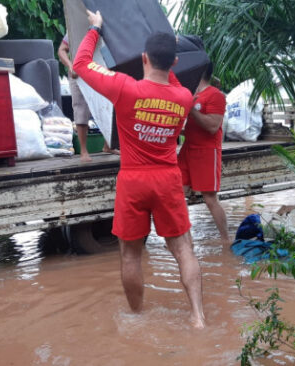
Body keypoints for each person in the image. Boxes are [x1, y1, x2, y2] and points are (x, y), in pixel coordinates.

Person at [73, 10, 205, 329]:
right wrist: (167, 56)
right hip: (167, 179)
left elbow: (79, 65)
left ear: (143, 58)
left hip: (133, 180)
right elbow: (169, 78)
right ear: (174, 63)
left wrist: (96, 30)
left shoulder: (124, 88)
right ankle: (198, 317)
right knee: (184, 249)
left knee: (130, 255)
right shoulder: (184, 97)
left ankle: (136, 317)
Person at [178, 62, 229, 245]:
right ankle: (185, 240)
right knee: (176, 194)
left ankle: (225, 239)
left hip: (206, 152)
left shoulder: (215, 95)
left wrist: (191, 109)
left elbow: (213, 126)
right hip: (187, 150)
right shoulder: (193, 95)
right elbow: (191, 127)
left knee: (209, 199)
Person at [58, 33, 117, 162]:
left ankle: (108, 145)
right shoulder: (74, 28)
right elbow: (61, 50)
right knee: (81, 109)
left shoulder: (105, 30)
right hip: (78, 73)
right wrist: (70, 65)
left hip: (100, 71)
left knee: (108, 106)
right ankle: (83, 151)